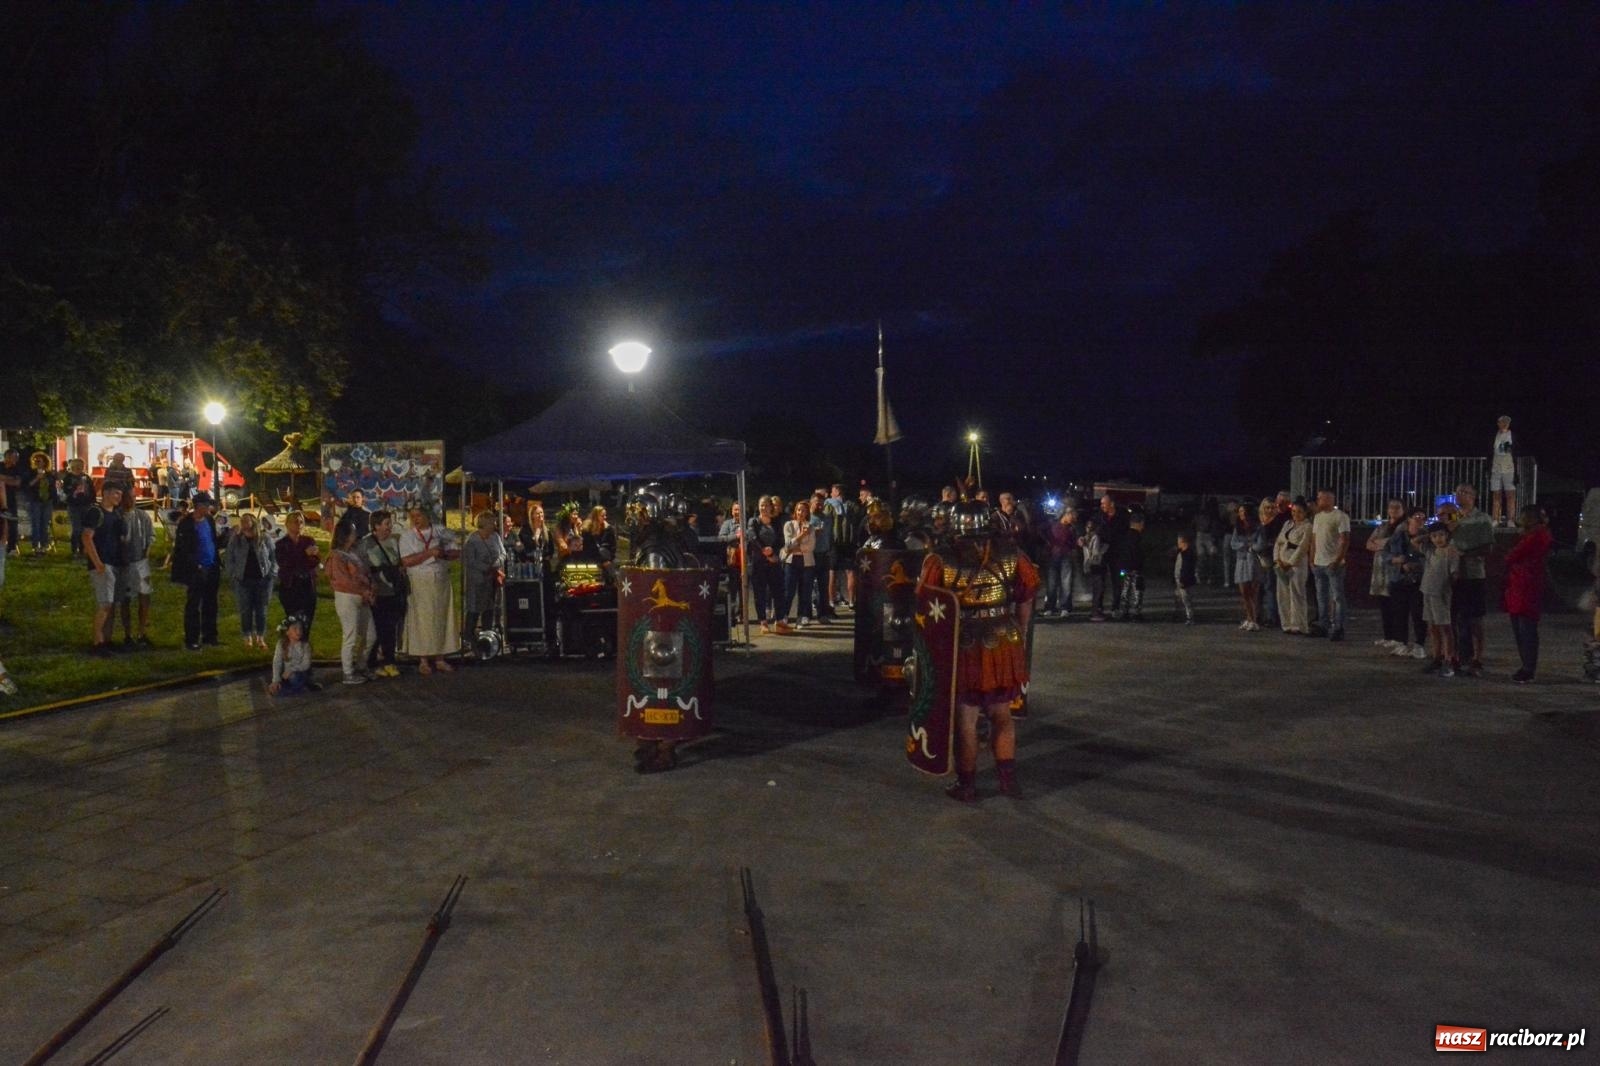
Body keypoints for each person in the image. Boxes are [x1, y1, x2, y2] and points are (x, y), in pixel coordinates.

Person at [918, 499, 1040, 802]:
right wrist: (1022, 632)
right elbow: (1027, 595)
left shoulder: (940, 559)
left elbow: (924, 603)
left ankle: (968, 784)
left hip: (966, 645)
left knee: (966, 719)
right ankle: (1007, 781)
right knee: (1002, 715)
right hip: (1003, 642)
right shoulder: (1013, 554)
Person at [399, 506, 460, 674]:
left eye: (419, 516)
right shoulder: (407, 536)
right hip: (420, 581)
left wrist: (444, 555)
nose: (416, 519)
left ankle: (440, 657)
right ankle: (423, 659)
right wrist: (430, 553)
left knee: (441, 617)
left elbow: (456, 552)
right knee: (422, 620)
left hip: (440, 580)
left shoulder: (441, 531)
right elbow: (406, 561)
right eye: (413, 517)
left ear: (427, 516)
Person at [1502, 505, 1553, 684]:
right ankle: (1526, 666)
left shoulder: (1535, 536)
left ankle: (1528, 668)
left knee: (1526, 630)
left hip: (1526, 586)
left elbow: (1511, 556)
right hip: (1521, 586)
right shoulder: (1536, 534)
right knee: (1522, 629)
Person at [1449, 484, 1494, 676]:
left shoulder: (1482, 519)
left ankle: (1477, 657)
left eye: (1464, 492)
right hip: (1453, 575)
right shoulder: (1454, 516)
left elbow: (1488, 547)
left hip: (1473, 574)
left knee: (1475, 618)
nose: (1459, 495)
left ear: (1474, 496)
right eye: (1457, 492)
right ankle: (1457, 655)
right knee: (1454, 617)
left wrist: (1464, 554)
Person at [327, 519, 376, 685]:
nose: (356, 534)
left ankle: (362, 665)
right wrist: (363, 590)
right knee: (351, 635)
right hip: (347, 598)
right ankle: (348, 672)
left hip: (362, 597)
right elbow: (344, 581)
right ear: (346, 535)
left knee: (370, 635)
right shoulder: (336, 556)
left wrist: (369, 586)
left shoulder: (353, 554)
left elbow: (363, 573)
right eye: (353, 531)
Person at [171, 492, 223, 650]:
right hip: (196, 569)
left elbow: (213, 540)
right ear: (199, 506)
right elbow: (183, 549)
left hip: (211, 566)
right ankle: (191, 638)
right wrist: (196, 565)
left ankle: (210, 635)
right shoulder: (187, 524)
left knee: (210, 603)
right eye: (207, 505)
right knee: (194, 604)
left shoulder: (208, 520)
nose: (209, 508)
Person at [360, 510, 407, 677]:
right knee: (378, 629)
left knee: (391, 628)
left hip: (393, 590)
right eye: (386, 524)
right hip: (377, 592)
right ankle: (373, 662)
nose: (390, 527)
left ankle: (389, 660)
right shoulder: (366, 545)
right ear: (376, 526)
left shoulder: (394, 542)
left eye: (390, 524)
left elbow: (398, 562)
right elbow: (362, 569)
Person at [81, 484, 126, 654]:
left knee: (109, 603)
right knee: (105, 603)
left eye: (120, 494)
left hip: (113, 563)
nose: (118, 497)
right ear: (105, 493)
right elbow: (86, 537)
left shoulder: (115, 514)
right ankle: (97, 642)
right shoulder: (96, 512)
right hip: (102, 564)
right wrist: (97, 563)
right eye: (116, 493)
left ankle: (104, 640)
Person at [224, 512, 277, 649]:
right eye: (242, 521)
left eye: (246, 521)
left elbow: (273, 556)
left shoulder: (264, 539)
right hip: (243, 580)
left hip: (263, 580)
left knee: (261, 610)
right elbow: (229, 558)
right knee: (245, 610)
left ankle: (260, 637)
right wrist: (233, 574)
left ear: (253, 522)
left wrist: (271, 573)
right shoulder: (236, 540)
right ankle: (247, 636)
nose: (244, 523)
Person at [1384, 508, 1429, 660]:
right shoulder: (1398, 536)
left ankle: (1419, 644)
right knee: (1399, 613)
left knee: (1418, 614)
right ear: (1409, 519)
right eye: (1417, 516)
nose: (1420, 520)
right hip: (1399, 579)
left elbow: (1430, 557)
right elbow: (1386, 555)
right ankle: (1401, 643)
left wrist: (1417, 565)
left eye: (1423, 517)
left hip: (1418, 580)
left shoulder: (1426, 537)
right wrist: (1399, 562)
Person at [1308, 489, 1350, 641]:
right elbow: (1314, 539)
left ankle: (1339, 627)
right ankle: (1324, 624)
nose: (1317, 501)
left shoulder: (1340, 517)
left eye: (1320, 498)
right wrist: (1312, 558)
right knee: (1322, 596)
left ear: (1328, 499)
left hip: (1333, 564)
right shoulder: (1318, 517)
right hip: (1318, 563)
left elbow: (1345, 540)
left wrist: (1338, 560)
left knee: (1337, 596)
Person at [1366, 499, 1408, 652]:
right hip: (1380, 571)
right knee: (1384, 604)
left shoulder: (1403, 527)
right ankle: (1388, 636)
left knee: (1396, 606)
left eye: (1398, 507)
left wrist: (1382, 543)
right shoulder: (1383, 526)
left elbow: (1393, 544)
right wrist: (1383, 543)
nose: (1394, 510)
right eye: (1391, 507)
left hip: (1394, 570)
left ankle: (1399, 638)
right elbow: (1369, 544)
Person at [1420, 521, 1460, 677]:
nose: (1438, 539)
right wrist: (1427, 535)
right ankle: (1436, 657)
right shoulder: (1431, 551)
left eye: (1441, 535)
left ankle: (1448, 659)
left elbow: (1455, 573)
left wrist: (1449, 587)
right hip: (1427, 591)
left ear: (1447, 535)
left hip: (1441, 593)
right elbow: (1414, 541)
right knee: (1432, 626)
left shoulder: (1451, 551)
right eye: (1434, 536)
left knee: (1445, 626)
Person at [463, 510, 506, 649]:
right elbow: (469, 561)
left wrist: (497, 563)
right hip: (477, 580)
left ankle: (487, 635)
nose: (494, 525)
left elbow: (503, 553)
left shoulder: (495, 537)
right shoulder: (472, 541)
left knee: (490, 607)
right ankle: (468, 636)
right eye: (492, 522)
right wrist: (485, 568)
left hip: (492, 579)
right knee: (474, 608)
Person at [116, 489, 155, 646]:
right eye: (128, 497)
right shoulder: (118, 516)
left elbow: (151, 537)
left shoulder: (142, 516)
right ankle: (127, 634)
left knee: (144, 596)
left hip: (141, 561)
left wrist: (146, 554)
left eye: (133, 497)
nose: (132, 500)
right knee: (126, 599)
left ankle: (141, 632)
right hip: (124, 564)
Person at [274, 511, 321, 640]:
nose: (299, 524)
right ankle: (291, 649)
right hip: (290, 586)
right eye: (295, 522)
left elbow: (315, 561)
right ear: (287, 524)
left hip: (307, 585)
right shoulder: (281, 544)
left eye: (301, 522)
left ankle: (304, 648)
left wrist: (305, 558)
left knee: (307, 619)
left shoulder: (308, 540)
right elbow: (285, 563)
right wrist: (303, 555)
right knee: (294, 621)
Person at [1273, 498, 1313, 634]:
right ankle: (1286, 623)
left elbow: (1303, 547)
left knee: (1297, 593)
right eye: (1294, 511)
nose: (1296, 514)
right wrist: (1277, 559)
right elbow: (1279, 542)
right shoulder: (1287, 524)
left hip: (1296, 564)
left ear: (1305, 513)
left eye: (1299, 512)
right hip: (1282, 561)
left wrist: (1290, 563)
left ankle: (1299, 625)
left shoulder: (1307, 526)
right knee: (1282, 594)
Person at [746, 499, 784, 633]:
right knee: (760, 593)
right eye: (761, 505)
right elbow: (753, 537)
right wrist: (765, 551)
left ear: (771, 507)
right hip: (759, 562)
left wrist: (773, 551)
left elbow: (780, 540)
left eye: (766, 505)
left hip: (774, 561)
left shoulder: (776, 522)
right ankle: (763, 622)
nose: (763, 508)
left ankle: (779, 622)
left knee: (778, 592)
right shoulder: (754, 522)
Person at [780, 499, 817, 630]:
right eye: (799, 510)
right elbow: (788, 544)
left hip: (807, 563)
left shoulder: (811, 527)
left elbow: (811, 546)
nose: (801, 512)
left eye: (804, 510)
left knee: (805, 592)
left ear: (807, 513)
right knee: (788, 590)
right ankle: (784, 616)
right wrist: (801, 536)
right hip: (792, 561)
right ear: (795, 511)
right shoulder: (789, 525)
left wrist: (797, 547)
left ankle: (800, 617)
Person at [1041, 506, 1080, 619]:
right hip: (1053, 556)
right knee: (1052, 584)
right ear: (1066, 515)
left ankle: (1064, 607)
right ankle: (1050, 607)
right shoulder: (1052, 525)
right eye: (1072, 516)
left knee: (1065, 583)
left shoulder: (1071, 529)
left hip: (1065, 556)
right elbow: (1041, 534)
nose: (1073, 519)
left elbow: (1073, 544)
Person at [1228, 503, 1261, 631]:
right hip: (1241, 561)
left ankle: (1254, 619)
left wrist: (1251, 547)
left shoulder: (1258, 527)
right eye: (1239, 512)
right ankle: (1249, 618)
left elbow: (1260, 543)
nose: (1241, 514)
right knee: (1244, 592)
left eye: (1243, 511)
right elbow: (1233, 543)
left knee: (1253, 592)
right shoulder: (1238, 528)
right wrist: (1245, 545)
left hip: (1253, 561)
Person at [268, 615, 318, 696]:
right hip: (285, 675)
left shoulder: (305, 645)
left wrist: (292, 669)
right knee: (279, 683)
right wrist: (276, 680)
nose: (298, 631)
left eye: (300, 628)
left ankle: (295, 690)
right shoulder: (281, 644)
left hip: (299, 672)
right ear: (287, 632)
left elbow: (306, 664)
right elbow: (277, 662)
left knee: (295, 678)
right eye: (295, 628)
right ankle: (288, 688)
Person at [22, 452, 56, 556]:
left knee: (44, 524)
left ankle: (44, 545)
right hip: (35, 500)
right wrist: (37, 478)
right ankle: (36, 546)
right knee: (36, 523)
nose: (37, 462)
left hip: (47, 500)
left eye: (39, 460)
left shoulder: (50, 474)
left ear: (45, 462)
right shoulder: (30, 473)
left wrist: (54, 499)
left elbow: (52, 488)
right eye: (35, 460)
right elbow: (26, 486)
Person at [1118, 506, 1147, 621]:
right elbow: (1139, 553)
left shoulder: (1124, 536)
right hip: (1135, 568)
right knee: (1137, 591)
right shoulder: (1138, 538)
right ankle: (1136, 613)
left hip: (1124, 568)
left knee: (1125, 590)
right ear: (1140, 523)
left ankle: (1124, 612)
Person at [61, 458, 95, 557]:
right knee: (77, 528)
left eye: (81, 466)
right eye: (78, 466)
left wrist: (92, 501)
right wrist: (75, 491)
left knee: (85, 528)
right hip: (74, 506)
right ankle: (74, 549)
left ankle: (82, 549)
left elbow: (92, 490)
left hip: (86, 504)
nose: (80, 469)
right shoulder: (68, 478)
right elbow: (66, 492)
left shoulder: (86, 478)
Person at [1490, 415, 1516, 526]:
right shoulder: (1494, 435)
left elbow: (1516, 450)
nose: (1505, 424)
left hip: (1509, 469)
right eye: (1502, 422)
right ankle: (1495, 519)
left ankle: (1510, 520)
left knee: (1510, 495)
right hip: (1496, 468)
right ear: (1498, 423)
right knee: (1496, 494)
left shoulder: (1512, 435)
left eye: (1507, 422)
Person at [1082, 518, 1110, 622]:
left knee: (1096, 589)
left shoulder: (1086, 537)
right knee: (1098, 589)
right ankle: (1095, 612)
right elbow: (1096, 553)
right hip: (1096, 565)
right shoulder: (1095, 537)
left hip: (1090, 565)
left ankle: (1095, 610)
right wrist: (1105, 548)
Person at [0, 449, 26, 556]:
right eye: (14, 457)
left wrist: (3, 479)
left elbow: (17, 482)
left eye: (17, 457)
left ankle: (11, 547)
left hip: (11, 499)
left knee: (13, 523)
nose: (16, 459)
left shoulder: (17, 469)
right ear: (7, 457)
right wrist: (9, 480)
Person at [1173, 532, 1198, 625]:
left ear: (1184, 543)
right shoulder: (1183, 553)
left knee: (1186, 600)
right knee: (1180, 598)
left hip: (1184, 581)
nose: (1178, 544)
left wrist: (1182, 580)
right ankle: (1181, 615)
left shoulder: (1186, 555)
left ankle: (1190, 617)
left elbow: (1185, 568)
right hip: (1182, 580)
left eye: (1179, 542)